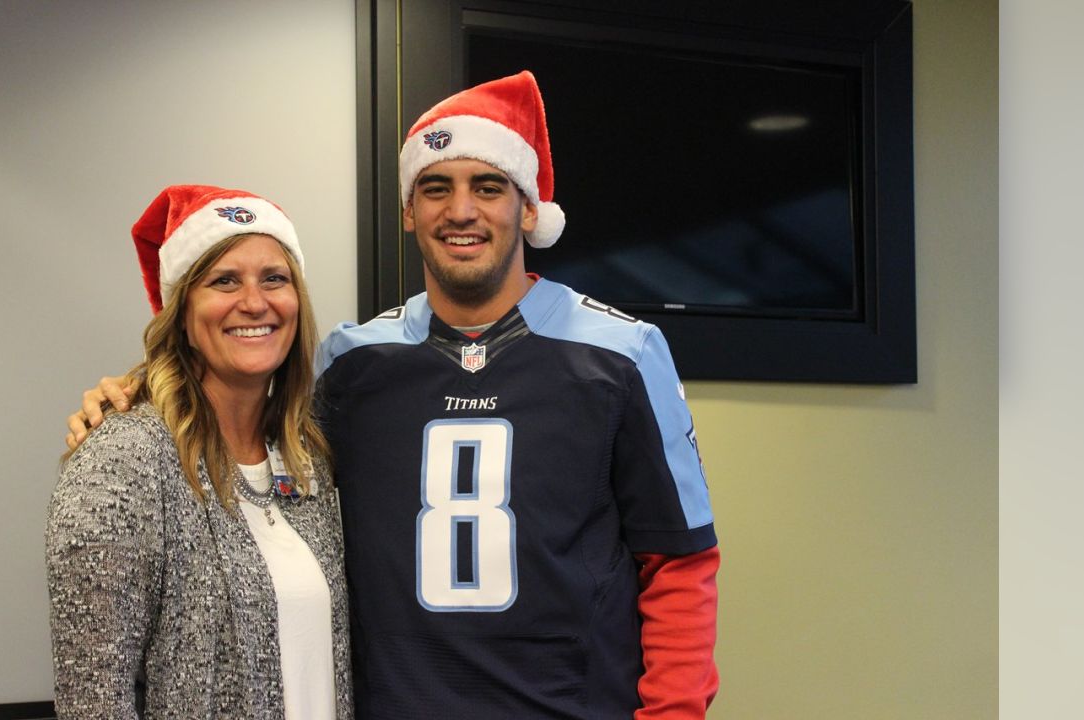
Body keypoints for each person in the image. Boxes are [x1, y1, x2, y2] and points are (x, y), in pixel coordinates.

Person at [70, 72, 719, 719]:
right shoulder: (352, 364)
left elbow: (680, 563)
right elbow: (235, 415)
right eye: (435, 188)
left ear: (528, 208)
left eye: (488, 187)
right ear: (409, 211)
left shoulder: (624, 354)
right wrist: (138, 389)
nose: (460, 210)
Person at [47, 185, 352, 719]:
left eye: (274, 279)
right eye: (224, 281)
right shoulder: (125, 459)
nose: (254, 302)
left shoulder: (309, 460)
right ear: (181, 314)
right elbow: (94, 700)